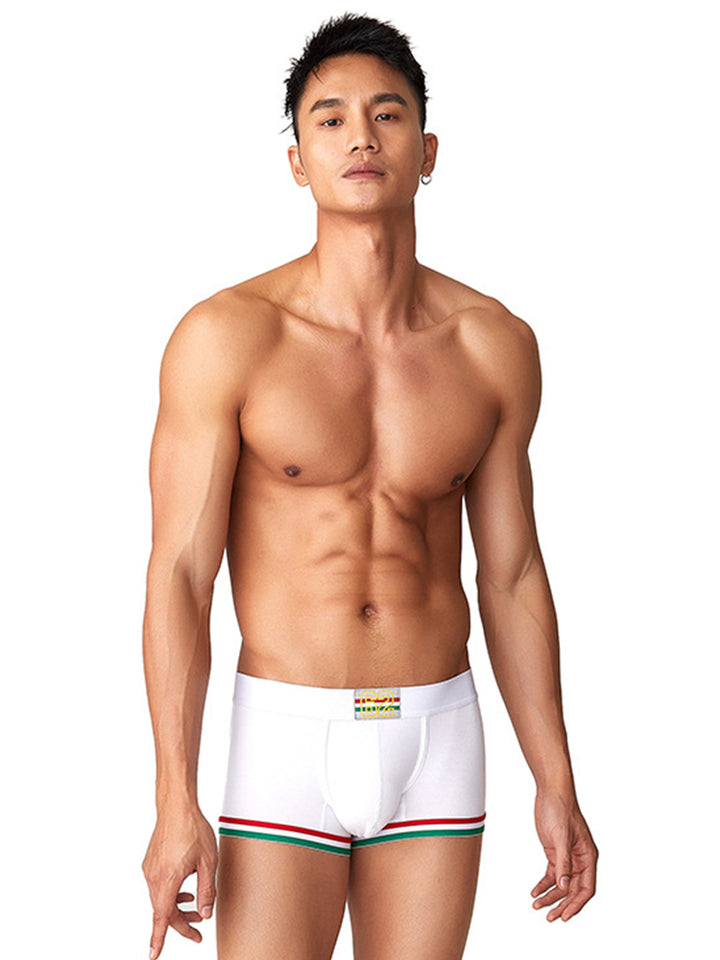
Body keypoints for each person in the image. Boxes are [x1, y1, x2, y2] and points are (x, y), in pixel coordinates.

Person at [141, 12, 598, 960]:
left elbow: (511, 574)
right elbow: (181, 574)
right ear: (297, 162)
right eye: (331, 118)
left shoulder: (494, 346)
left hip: (437, 735)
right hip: (285, 738)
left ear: (427, 151)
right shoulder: (228, 338)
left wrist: (555, 777)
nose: (361, 137)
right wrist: (173, 795)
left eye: (387, 115)